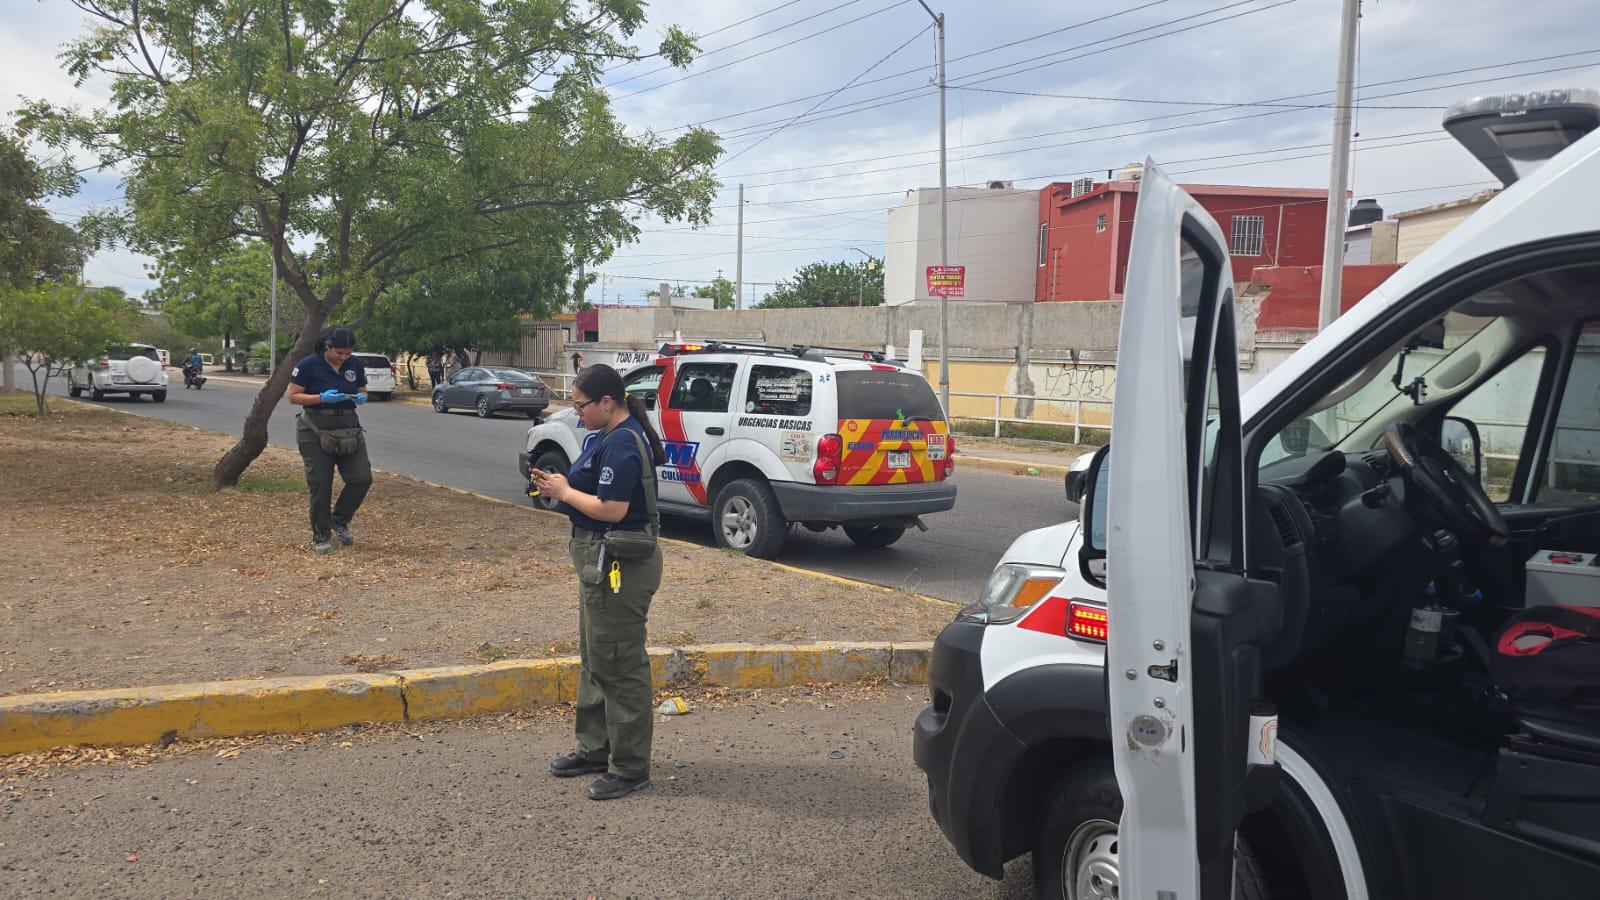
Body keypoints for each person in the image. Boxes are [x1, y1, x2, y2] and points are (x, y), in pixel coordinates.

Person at [531, 363, 666, 801]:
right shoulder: (608, 436)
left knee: (620, 662)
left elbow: (612, 509)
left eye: (581, 405)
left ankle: (629, 768)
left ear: (607, 402)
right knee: (595, 657)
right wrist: (560, 485)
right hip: (600, 562)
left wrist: (565, 493)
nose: (577, 413)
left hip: (620, 565)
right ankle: (595, 749)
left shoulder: (624, 445)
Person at [284, 327, 372, 555]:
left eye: (348, 353)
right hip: (315, 427)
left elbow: (362, 389)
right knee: (321, 483)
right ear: (328, 346)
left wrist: (362, 396)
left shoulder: (355, 365)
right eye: (339, 353)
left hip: (348, 426)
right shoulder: (308, 365)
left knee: (362, 478)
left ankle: (339, 519)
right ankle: (322, 534)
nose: (343, 357)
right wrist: (320, 397)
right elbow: (293, 396)